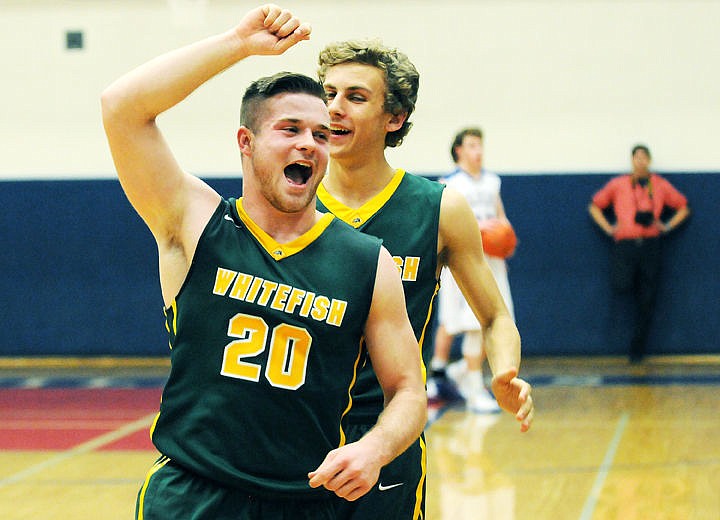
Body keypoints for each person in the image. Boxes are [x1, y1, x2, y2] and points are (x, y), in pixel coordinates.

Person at [101, 6, 427, 519]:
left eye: (320, 135)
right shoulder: (195, 224)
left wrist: (375, 449)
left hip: (304, 501)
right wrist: (236, 44)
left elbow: (408, 390)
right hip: (193, 495)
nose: (308, 144)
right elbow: (121, 106)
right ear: (246, 143)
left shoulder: (367, 261)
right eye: (290, 129)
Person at [316, 39, 534, 519]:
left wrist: (504, 371)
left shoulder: (438, 207)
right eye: (327, 92)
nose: (333, 107)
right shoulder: (290, 197)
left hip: (387, 438)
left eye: (355, 96)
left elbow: (496, 316)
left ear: (395, 118)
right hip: (292, 437)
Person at [429, 127, 516, 414]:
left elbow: (500, 217)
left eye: (481, 145)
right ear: (459, 151)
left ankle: (464, 375)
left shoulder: (492, 181)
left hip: (491, 259)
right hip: (462, 258)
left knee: (487, 320)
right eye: (472, 145)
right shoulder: (449, 183)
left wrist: (506, 238)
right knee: (461, 322)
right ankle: (467, 382)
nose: (478, 150)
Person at [589, 144, 690, 363]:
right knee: (622, 285)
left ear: (649, 161)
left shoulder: (660, 185)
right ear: (632, 160)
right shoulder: (618, 184)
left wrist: (667, 225)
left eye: (644, 158)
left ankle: (638, 350)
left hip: (650, 244)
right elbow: (595, 205)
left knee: (647, 299)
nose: (640, 161)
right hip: (625, 245)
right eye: (637, 157)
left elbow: (683, 206)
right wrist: (609, 227)